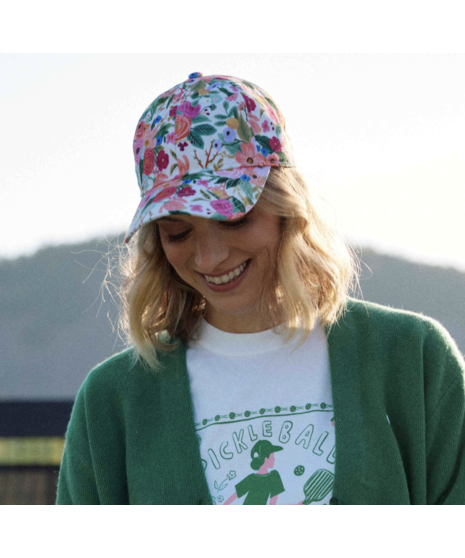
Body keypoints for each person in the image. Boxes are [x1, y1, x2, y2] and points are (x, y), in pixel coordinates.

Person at [56, 72, 465, 505]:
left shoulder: (413, 360)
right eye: (178, 233)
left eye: (233, 219)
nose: (209, 258)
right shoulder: (111, 401)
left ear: (285, 208)